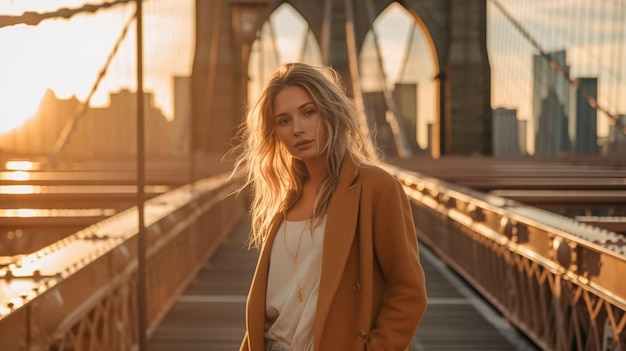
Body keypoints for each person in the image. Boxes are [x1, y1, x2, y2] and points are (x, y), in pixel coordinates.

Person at [231, 62, 427, 351]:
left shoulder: (375, 187)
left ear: (330, 112)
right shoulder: (286, 200)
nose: (298, 129)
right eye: (284, 120)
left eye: (308, 112)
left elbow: (408, 290)